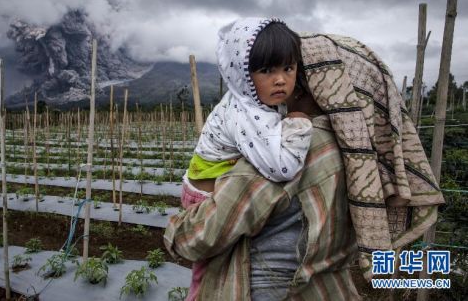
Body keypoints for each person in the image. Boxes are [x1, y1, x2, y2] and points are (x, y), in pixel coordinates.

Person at [165, 20, 445, 300]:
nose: (286, 83)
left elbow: (200, 238)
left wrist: (175, 233)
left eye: (293, 71)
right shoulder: (361, 156)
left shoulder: (286, 150)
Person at [181, 18, 313, 301]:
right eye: (266, 70)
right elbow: (282, 167)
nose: (280, 79)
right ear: (242, 73)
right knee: (210, 271)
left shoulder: (257, 101)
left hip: (215, 184)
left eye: (288, 68)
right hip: (204, 199)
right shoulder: (246, 113)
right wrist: (299, 124)